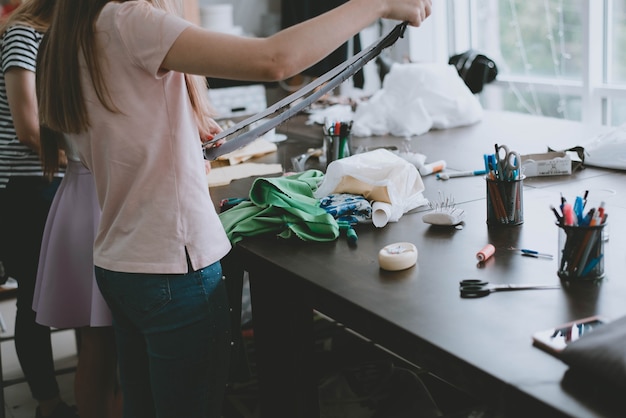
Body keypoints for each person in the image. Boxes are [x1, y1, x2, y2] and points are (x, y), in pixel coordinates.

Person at [36, 0, 432, 417]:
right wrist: (378, 4)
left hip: (121, 264)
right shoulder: (129, 19)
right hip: (172, 270)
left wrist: (183, 142)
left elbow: (128, 135)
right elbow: (276, 59)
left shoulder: (76, 31)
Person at [0, 1, 78, 417]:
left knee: (83, 288)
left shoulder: (67, 35)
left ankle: (94, 390)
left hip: (63, 178)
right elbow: (28, 127)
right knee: (34, 297)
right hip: (27, 184)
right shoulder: (23, 33)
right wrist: (87, 157)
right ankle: (48, 404)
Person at [34, 126, 123, 418]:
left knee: (96, 342)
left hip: (78, 196)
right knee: (124, 344)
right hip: (103, 198)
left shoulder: (54, 79)